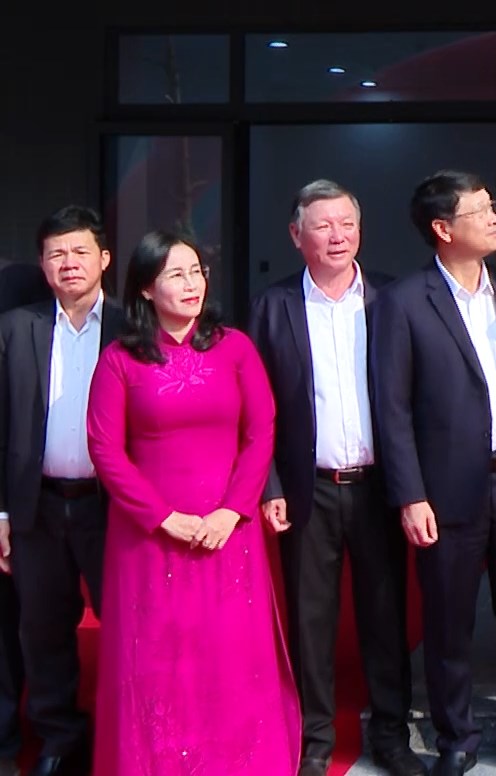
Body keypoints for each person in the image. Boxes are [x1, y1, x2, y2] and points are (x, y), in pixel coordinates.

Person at [373, 171, 496, 776]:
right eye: (479, 210)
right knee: (450, 617)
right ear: (442, 229)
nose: (494, 218)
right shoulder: (403, 303)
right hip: (446, 489)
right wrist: (410, 494)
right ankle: (455, 734)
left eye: (493, 206)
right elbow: (393, 407)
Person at [85, 231, 300, 774]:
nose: (191, 283)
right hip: (148, 536)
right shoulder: (119, 359)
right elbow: (105, 449)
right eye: (176, 274)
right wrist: (162, 518)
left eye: (197, 271)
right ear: (146, 288)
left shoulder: (235, 346)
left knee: (229, 657)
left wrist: (233, 509)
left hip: (229, 530)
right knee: (155, 660)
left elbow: (262, 430)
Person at [250, 181, 423, 776]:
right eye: (322, 225)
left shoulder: (391, 300)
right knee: (311, 620)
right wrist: (269, 486)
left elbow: (412, 399)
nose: (337, 234)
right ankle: (314, 737)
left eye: (346, 222)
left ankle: (392, 733)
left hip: (377, 485)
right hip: (307, 489)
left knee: (385, 614)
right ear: (297, 236)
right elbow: (259, 407)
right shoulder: (273, 307)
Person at [0, 208, 124, 775]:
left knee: (126, 626)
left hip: (112, 508)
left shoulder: (131, 327)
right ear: (42, 265)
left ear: (104, 259)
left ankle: (122, 736)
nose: (68, 263)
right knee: (42, 628)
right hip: (39, 506)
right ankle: (57, 738)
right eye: (56, 254)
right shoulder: (15, 326)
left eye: (79, 252)